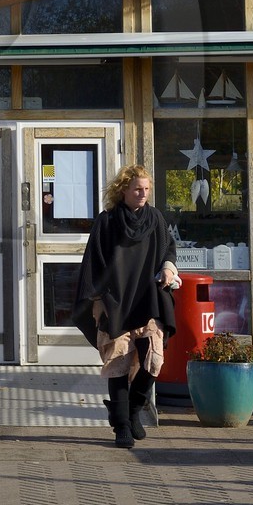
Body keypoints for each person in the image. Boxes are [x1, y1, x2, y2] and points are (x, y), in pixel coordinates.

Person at [72, 164, 180, 448]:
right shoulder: (107, 221)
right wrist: (97, 300)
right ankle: (121, 426)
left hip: (148, 300)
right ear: (123, 190)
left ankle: (133, 409)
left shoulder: (155, 218)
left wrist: (168, 268)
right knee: (118, 364)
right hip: (116, 301)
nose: (143, 194)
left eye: (146, 189)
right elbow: (94, 261)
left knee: (154, 361)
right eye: (137, 189)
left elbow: (168, 248)